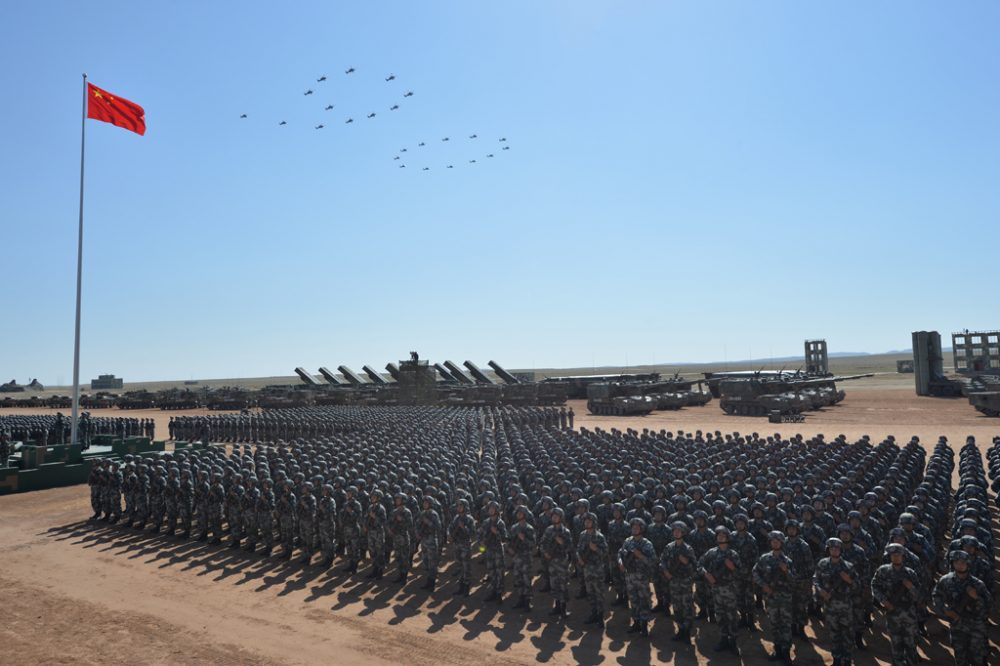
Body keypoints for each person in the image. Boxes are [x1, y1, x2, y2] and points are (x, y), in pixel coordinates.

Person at [932, 550, 991, 666]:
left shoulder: (977, 583)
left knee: (977, 658)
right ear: (952, 563)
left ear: (968, 564)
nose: (960, 565)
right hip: (957, 625)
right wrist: (945, 610)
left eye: (963, 562)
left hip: (976, 626)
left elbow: (989, 604)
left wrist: (976, 597)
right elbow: (936, 596)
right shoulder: (945, 580)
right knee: (960, 657)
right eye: (957, 562)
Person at [871, 543, 920, 666]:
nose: (896, 557)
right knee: (896, 645)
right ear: (890, 556)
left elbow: (919, 595)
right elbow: (875, 586)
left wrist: (911, 588)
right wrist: (883, 601)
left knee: (911, 645)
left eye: (898, 555)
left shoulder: (910, 573)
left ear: (903, 556)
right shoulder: (883, 571)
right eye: (893, 555)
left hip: (909, 614)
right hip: (892, 613)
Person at [752, 531, 795, 663]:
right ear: (770, 543)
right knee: (774, 623)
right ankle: (777, 649)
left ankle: (786, 651)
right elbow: (755, 572)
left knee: (786, 625)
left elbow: (794, 581)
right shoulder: (764, 558)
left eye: (777, 541)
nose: (775, 542)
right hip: (770, 598)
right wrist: (763, 585)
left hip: (785, 599)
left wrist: (786, 571)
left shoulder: (788, 561)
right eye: (773, 541)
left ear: (782, 543)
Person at [814, 538, 858, 666]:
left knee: (847, 634)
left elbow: (858, 586)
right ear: (828, 550)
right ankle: (837, 659)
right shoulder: (822, 564)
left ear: (841, 550)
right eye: (832, 548)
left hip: (845, 607)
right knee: (834, 633)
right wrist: (821, 591)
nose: (834, 550)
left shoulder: (848, 567)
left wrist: (849, 580)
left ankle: (847, 659)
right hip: (829, 606)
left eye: (837, 548)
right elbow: (816, 579)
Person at [699, 526, 741, 654]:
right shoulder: (711, 552)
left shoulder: (733, 554)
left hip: (730, 590)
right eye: (719, 535)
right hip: (716, 590)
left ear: (728, 538)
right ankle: (723, 639)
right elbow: (700, 564)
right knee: (720, 615)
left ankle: (733, 641)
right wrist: (707, 574)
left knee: (732, 616)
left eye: (724, 535)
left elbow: (742, 574)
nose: (721, 537)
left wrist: (733, 568)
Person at [618, 517, 657, 637]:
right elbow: (620, 553)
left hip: (642, 578)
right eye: (633, 527)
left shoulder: (647, 544)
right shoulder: (628, 541)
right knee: (633, 600)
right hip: (629, 576)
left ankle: (644, 625)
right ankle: (636, 623)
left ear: (642, 529)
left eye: (637, 527)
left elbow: (653, 561)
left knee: (644, 601)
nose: (634, 529)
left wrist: (641, 556)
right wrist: (620, 562)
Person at [660, 521, 697, 644]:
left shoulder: (688, 549)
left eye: (679, 530)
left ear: (683, 533)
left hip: (685, 581)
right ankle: (680, 629)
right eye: (675, 530)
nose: (676, 532)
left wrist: (686, 562)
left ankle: (687, 631)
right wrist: (665, 571)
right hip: (673, 581)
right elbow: (662, 561)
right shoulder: (669, 547)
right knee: (676, 606)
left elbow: (695, 567)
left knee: (687, 606)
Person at [576, 512, 609, 627]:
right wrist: (579, 558)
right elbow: (578, 549)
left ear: (594, 522)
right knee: (590, 592)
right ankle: (593, 613)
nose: (587, 522)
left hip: (597, 568)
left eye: (589, 521)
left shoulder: (599, 536)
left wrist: (596, 549)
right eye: (585, 521)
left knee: (599, 593)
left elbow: (605, 553)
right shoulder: (582, 535)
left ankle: (600, 617)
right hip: (586, 568)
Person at [541, 506, 573, 618]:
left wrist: (562, 542)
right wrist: (545, 552)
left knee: (563, 585)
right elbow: (543, 543)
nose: (554, 518)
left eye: (556, 516)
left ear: (561, 517)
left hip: (562, 562)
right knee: (554, 584)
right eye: (553, 516)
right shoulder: (549, 530)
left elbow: (570, 547)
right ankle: (557, 606)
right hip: (552, 561)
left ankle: (564, 608)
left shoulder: (566, 531)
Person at [479, 501, 508, 602]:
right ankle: (493, 591)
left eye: (493, 508)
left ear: (496, 510)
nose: (491, 510)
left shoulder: (500, 523)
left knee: (499, 572)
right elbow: (480, 534)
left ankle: (499, 593)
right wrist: (481, 544)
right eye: (489, 508)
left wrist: (497, 533)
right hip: (488, 550)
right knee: (491, 571)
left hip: (498, 550)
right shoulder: (486, 522)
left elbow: (505, 538)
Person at [510, 506, 536, 610]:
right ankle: (520, 599)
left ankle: (527, 601)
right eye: (517, 513)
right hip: (517, 557)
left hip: (526, 557)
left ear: (525, 515)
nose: (518, 515)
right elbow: (509, 541)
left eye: (520, 513)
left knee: (526, 579)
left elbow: (533, 544)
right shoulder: (514, 527)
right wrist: (510, 550)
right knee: (518, 579)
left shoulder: (529, 528)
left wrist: (524, 539)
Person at [449, 498, 477, 596]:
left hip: (465, 545)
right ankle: (461, 587)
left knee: (466, 567)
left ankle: (466, 588)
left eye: (461, 506)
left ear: (465, 507)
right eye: (458, 506)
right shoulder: (456, 518)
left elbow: (473, 533)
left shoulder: (469, 519)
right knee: (459, 566)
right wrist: (450, 535)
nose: (458, 507)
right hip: (457, 545)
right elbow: (451, 528)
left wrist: (463, 527)